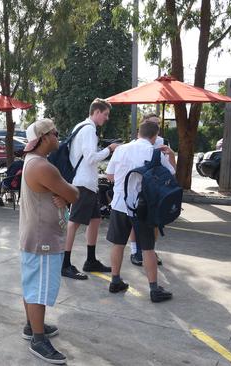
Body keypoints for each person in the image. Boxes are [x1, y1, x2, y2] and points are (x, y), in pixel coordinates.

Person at [19, 119, 79, 364]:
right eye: (55, 133)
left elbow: (64, 194)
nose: (58, 136)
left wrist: (63, 197)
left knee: (32, 283)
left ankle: (31, 326)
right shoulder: (42, 167)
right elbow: (74, 193)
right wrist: (66, 197)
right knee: (39, 289)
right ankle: (38, 339)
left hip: (34, 234)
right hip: (42, 237)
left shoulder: (32, 161)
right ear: (44, 138)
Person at [105, 121, 176, 303]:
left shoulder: (121, 150)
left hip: (120, 203)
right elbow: (170, 175)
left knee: (118, 244)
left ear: (138, 133)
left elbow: (110, 175)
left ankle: (115, 280)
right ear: (155, 136)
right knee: (148, 248)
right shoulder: (154, 153)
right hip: (142, 207)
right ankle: (154, 289)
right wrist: (171, 155)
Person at [62, 98, 121, 280]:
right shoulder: (89, 130)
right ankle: (64, 263)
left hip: (87, 183)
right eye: (105, 114)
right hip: (84, 183)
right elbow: (90, 158)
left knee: (95, 220)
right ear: (96, 112)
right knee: (74, 223)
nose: (107, 118)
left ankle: (90, 260)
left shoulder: (81, 127)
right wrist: (109, 149)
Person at [129, 114, 175, 266]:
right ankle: (135, 251)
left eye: (157, 123)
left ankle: (150, 250)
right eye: (151, 123)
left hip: (156, 188)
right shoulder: (135, 143)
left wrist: (171, 155)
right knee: (136, 222)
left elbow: (171, 170)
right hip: (138, 189)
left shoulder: (163, 143)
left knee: (155, 222)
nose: (155, 126)